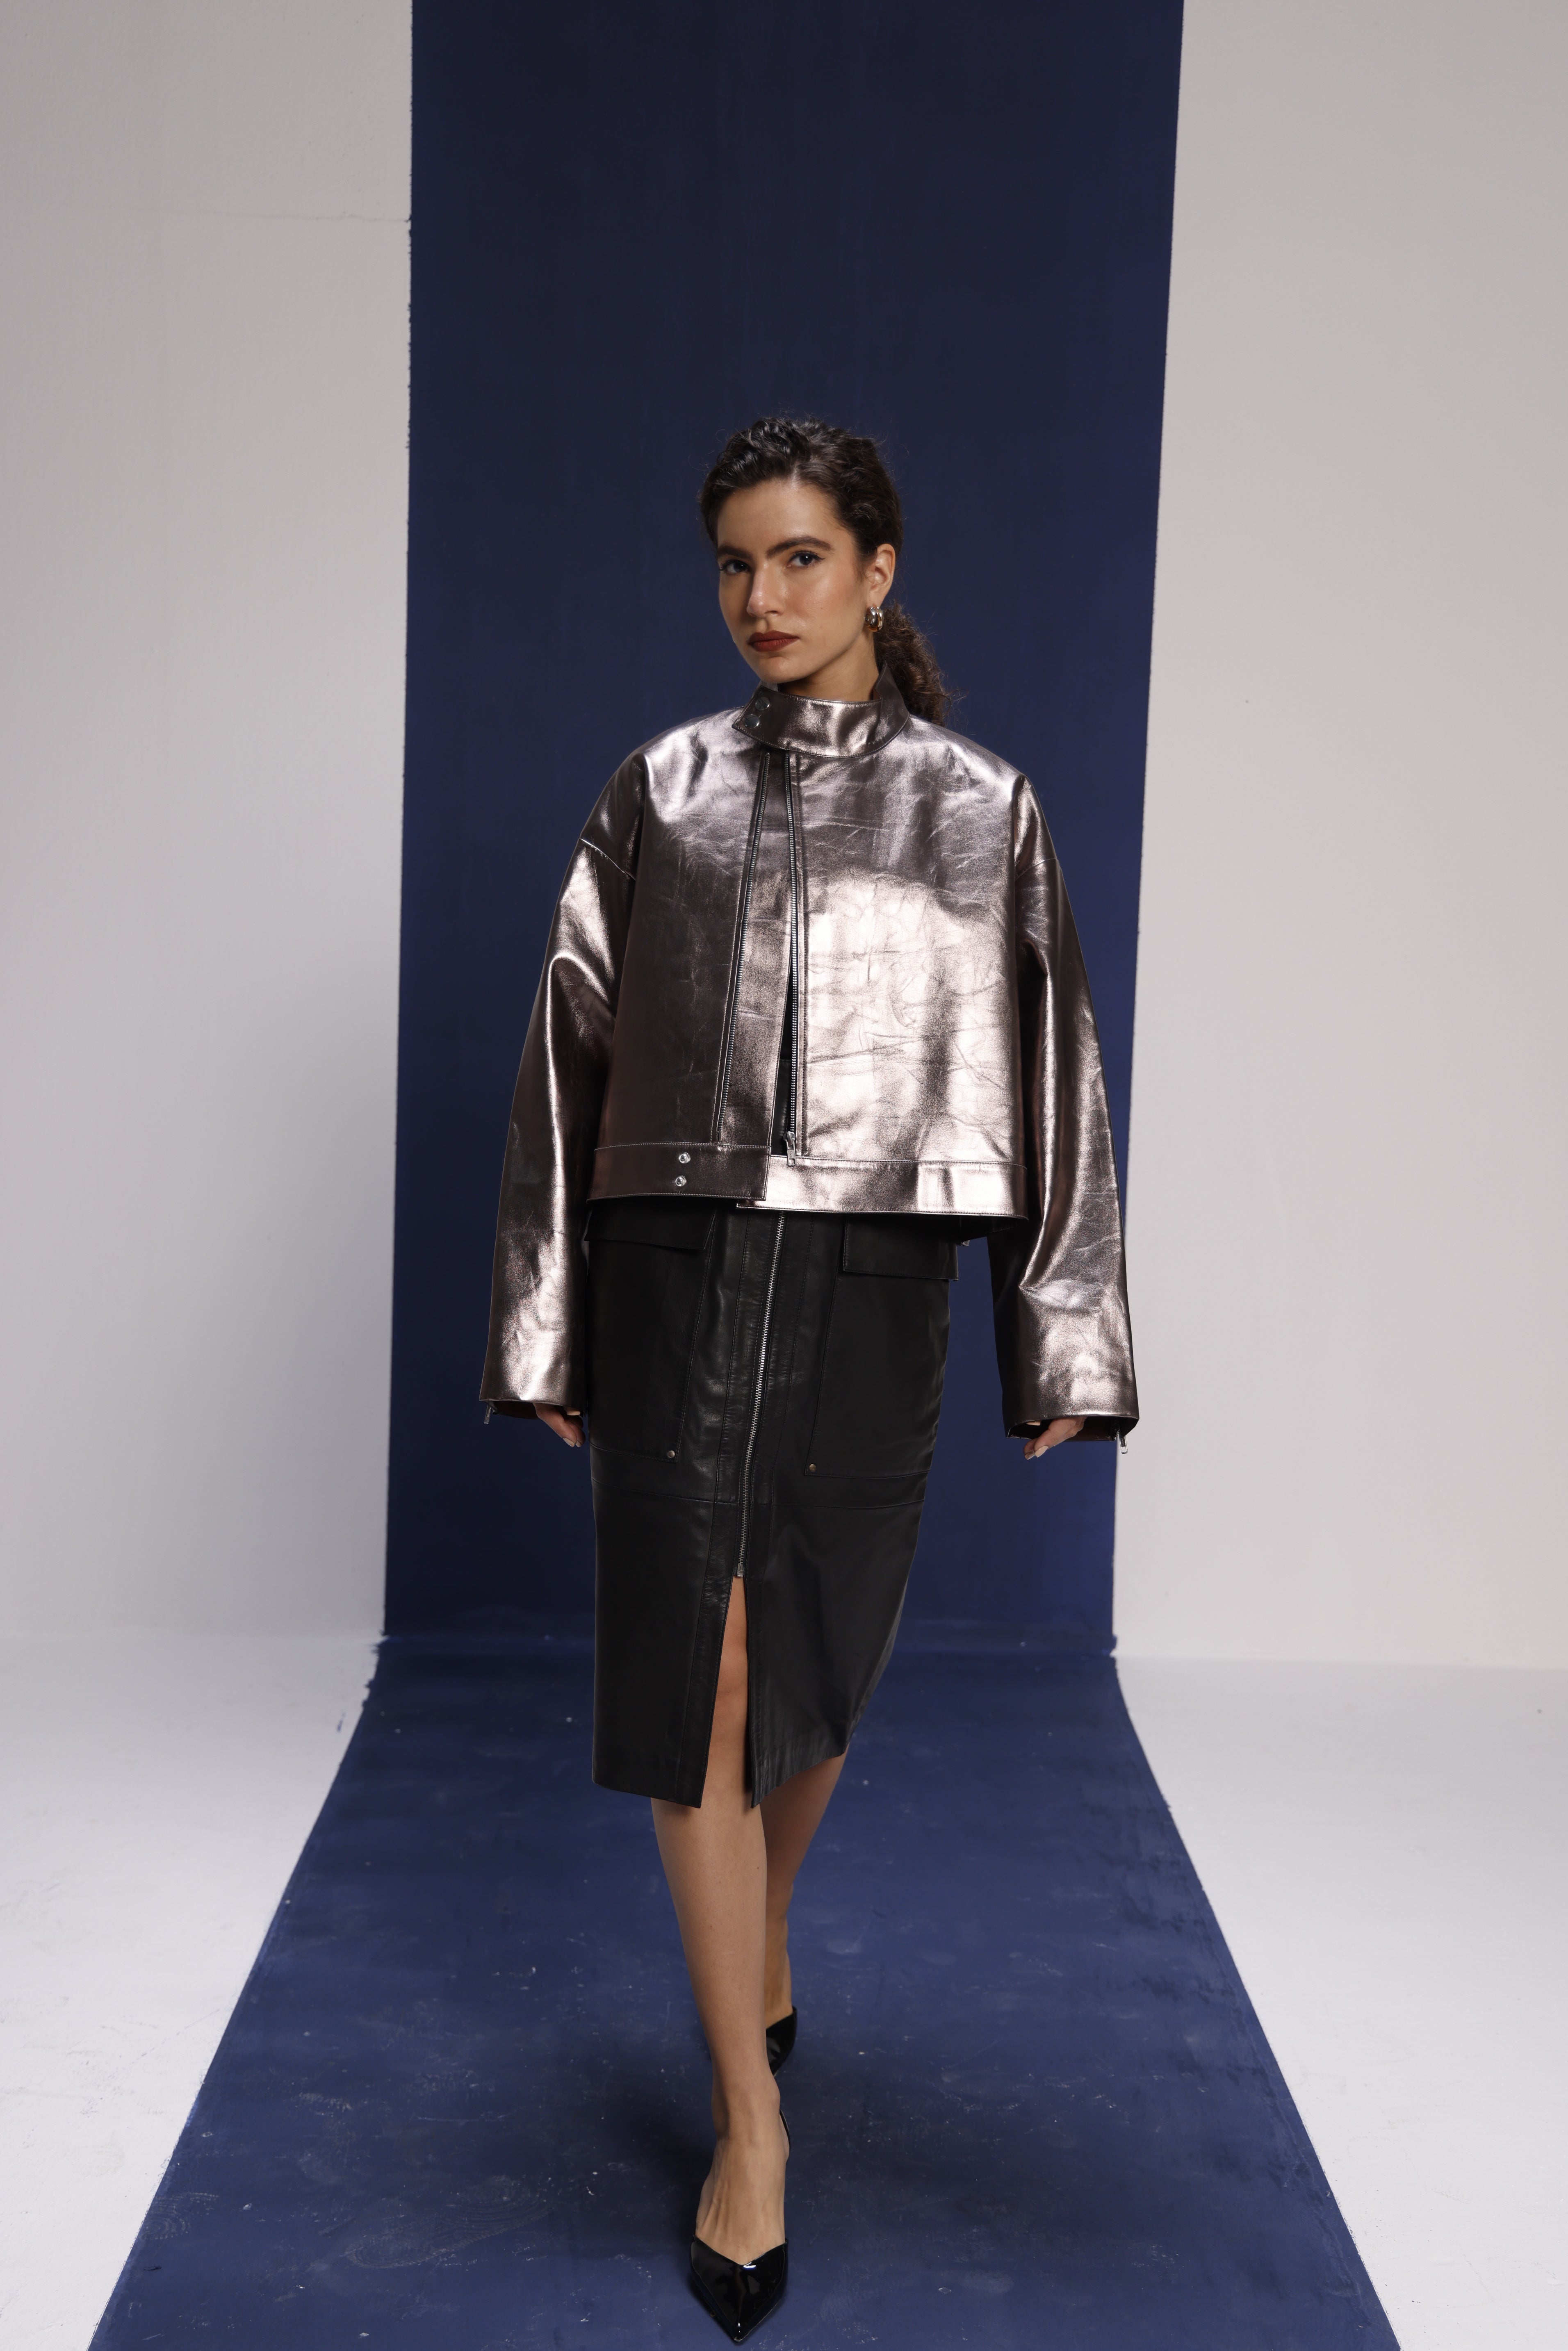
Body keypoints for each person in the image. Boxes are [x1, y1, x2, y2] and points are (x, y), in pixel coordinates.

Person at [481, 415, 1137, 2341]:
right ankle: (747, 2122)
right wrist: (543, 1313)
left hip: (874, 1277)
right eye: (734, 564)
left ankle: (759, 1930)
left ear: (875, 569)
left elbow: (1053, 1064)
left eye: (797, 558)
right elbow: (564, 1054)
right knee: (702, 1674)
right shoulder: (660, 789)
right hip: (674, 1269)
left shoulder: (981, 807)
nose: (760, 598)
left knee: (819, 1662)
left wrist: (1063, 1323)